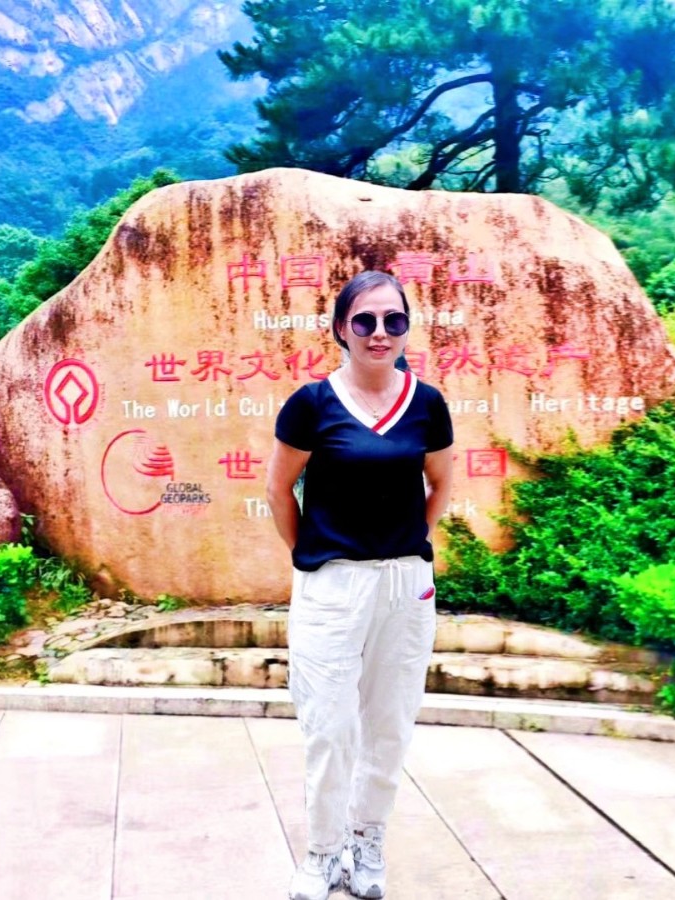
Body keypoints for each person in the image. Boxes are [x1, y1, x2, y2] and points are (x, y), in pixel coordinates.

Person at [266, 271, 454, 900]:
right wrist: (315, 556)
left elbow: (441, 484)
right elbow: (278, 490)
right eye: (365, 320)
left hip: (406, 586)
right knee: (329, 726)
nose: (380, 333)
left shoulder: (427, 403)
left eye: (393, 320)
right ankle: (322, 852)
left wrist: (409, 543)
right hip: (332, 586)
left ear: (406, 329)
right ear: (340, 329)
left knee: (390, 723)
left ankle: (368, 841)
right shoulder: (311, 404)